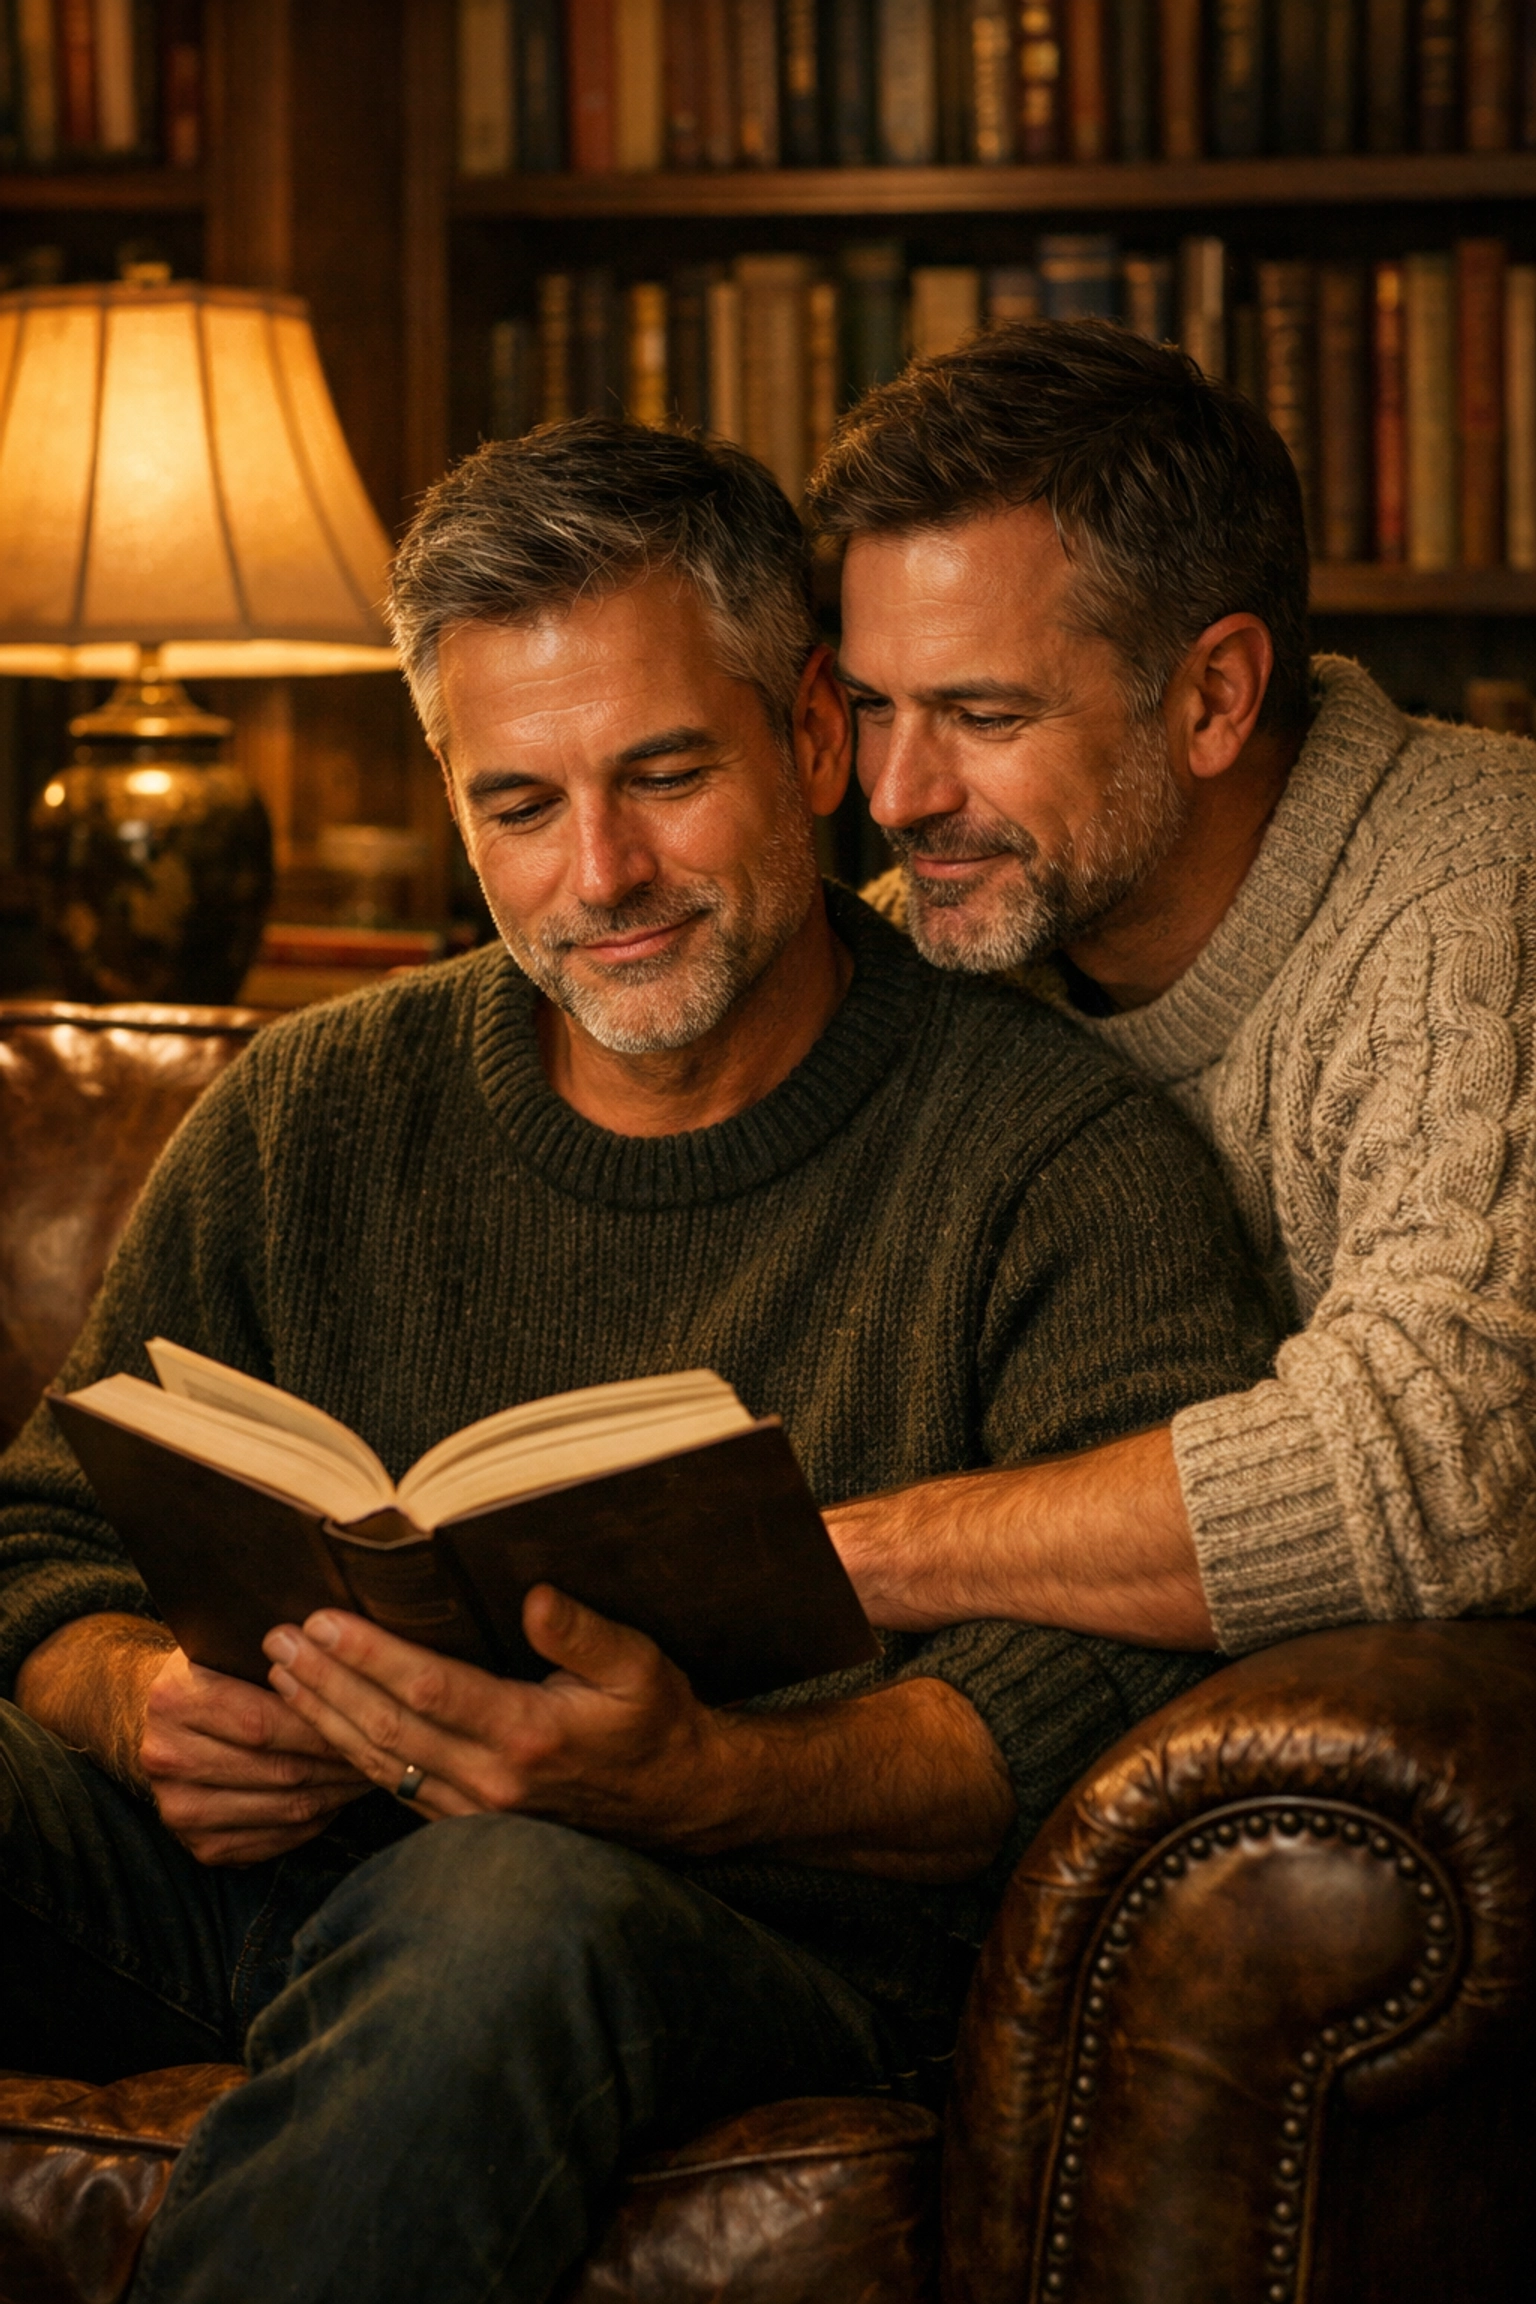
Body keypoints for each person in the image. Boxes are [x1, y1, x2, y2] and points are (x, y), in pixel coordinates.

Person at [0, 422, 1271, 2304]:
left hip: (727, 1937)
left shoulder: (1056, 1159)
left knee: (499, 1899)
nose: (601, 873)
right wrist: (131, 1702)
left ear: (815, 741)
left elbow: (1077, 1706)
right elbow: (45, 1535)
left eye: (664, 775)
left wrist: (699, 1782)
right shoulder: (310, 1111)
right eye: (518, 806)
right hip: (254, 1880)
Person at [807, 317, 1536, 1664]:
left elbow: (1455, 1460)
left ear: (1213, 696)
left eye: (984, 718)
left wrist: (867, 1559)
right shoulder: (916, 945)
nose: (896, 796)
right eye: (870, 708)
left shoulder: (1484, 894)